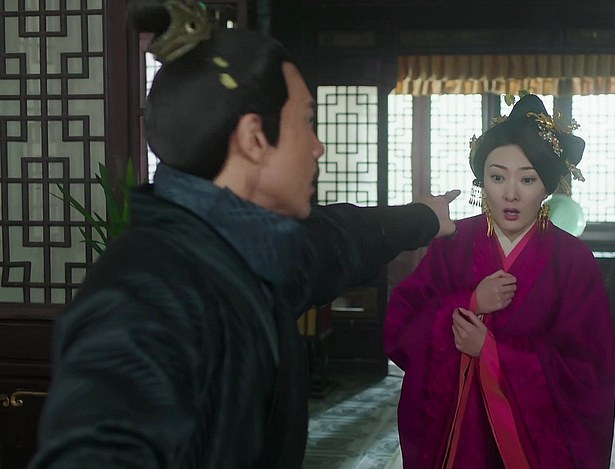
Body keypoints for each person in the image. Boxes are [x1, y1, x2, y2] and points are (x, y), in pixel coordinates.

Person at [29, 1, 459, 468]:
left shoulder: (258, 248)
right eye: (306, 121)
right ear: (254, 138)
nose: (318, 147)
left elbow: (342, 239)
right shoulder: (145, 295)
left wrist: (424, 217)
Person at [384, 93, 615, 469]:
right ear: (482, 181)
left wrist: (491, 352)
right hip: (460, 436)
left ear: (547, 186)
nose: (510, 193)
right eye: (497, 177)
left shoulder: (574, 262)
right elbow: (402, 327)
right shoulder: (454, 244)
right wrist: (469, 302)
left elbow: (588, 373)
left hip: (533, 443)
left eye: (527, 179)